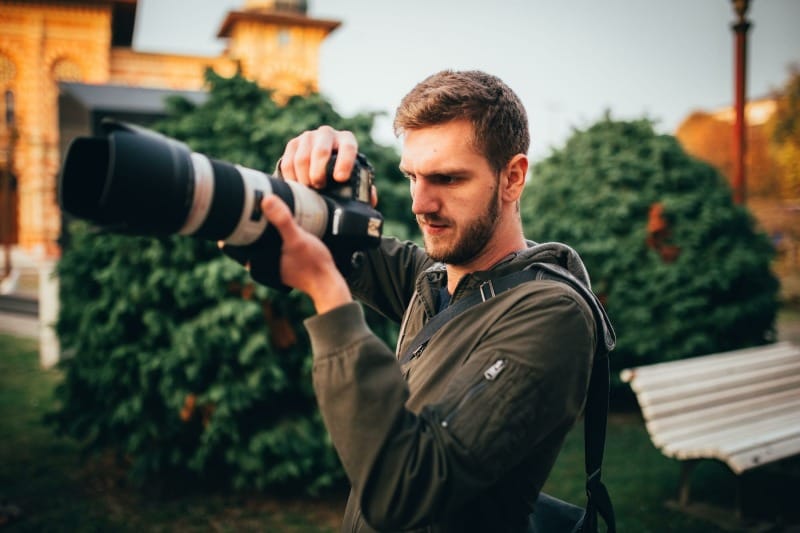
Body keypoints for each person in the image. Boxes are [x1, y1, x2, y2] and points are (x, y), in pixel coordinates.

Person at [256, 70, 609, 532]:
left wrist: (328, 295)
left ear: (513, 178)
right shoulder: (429, 278)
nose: (420, 203)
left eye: (446, 178)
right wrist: (298, 170)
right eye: (412, 177)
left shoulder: (552, 314)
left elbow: (407, 490)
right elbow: (293, 229)